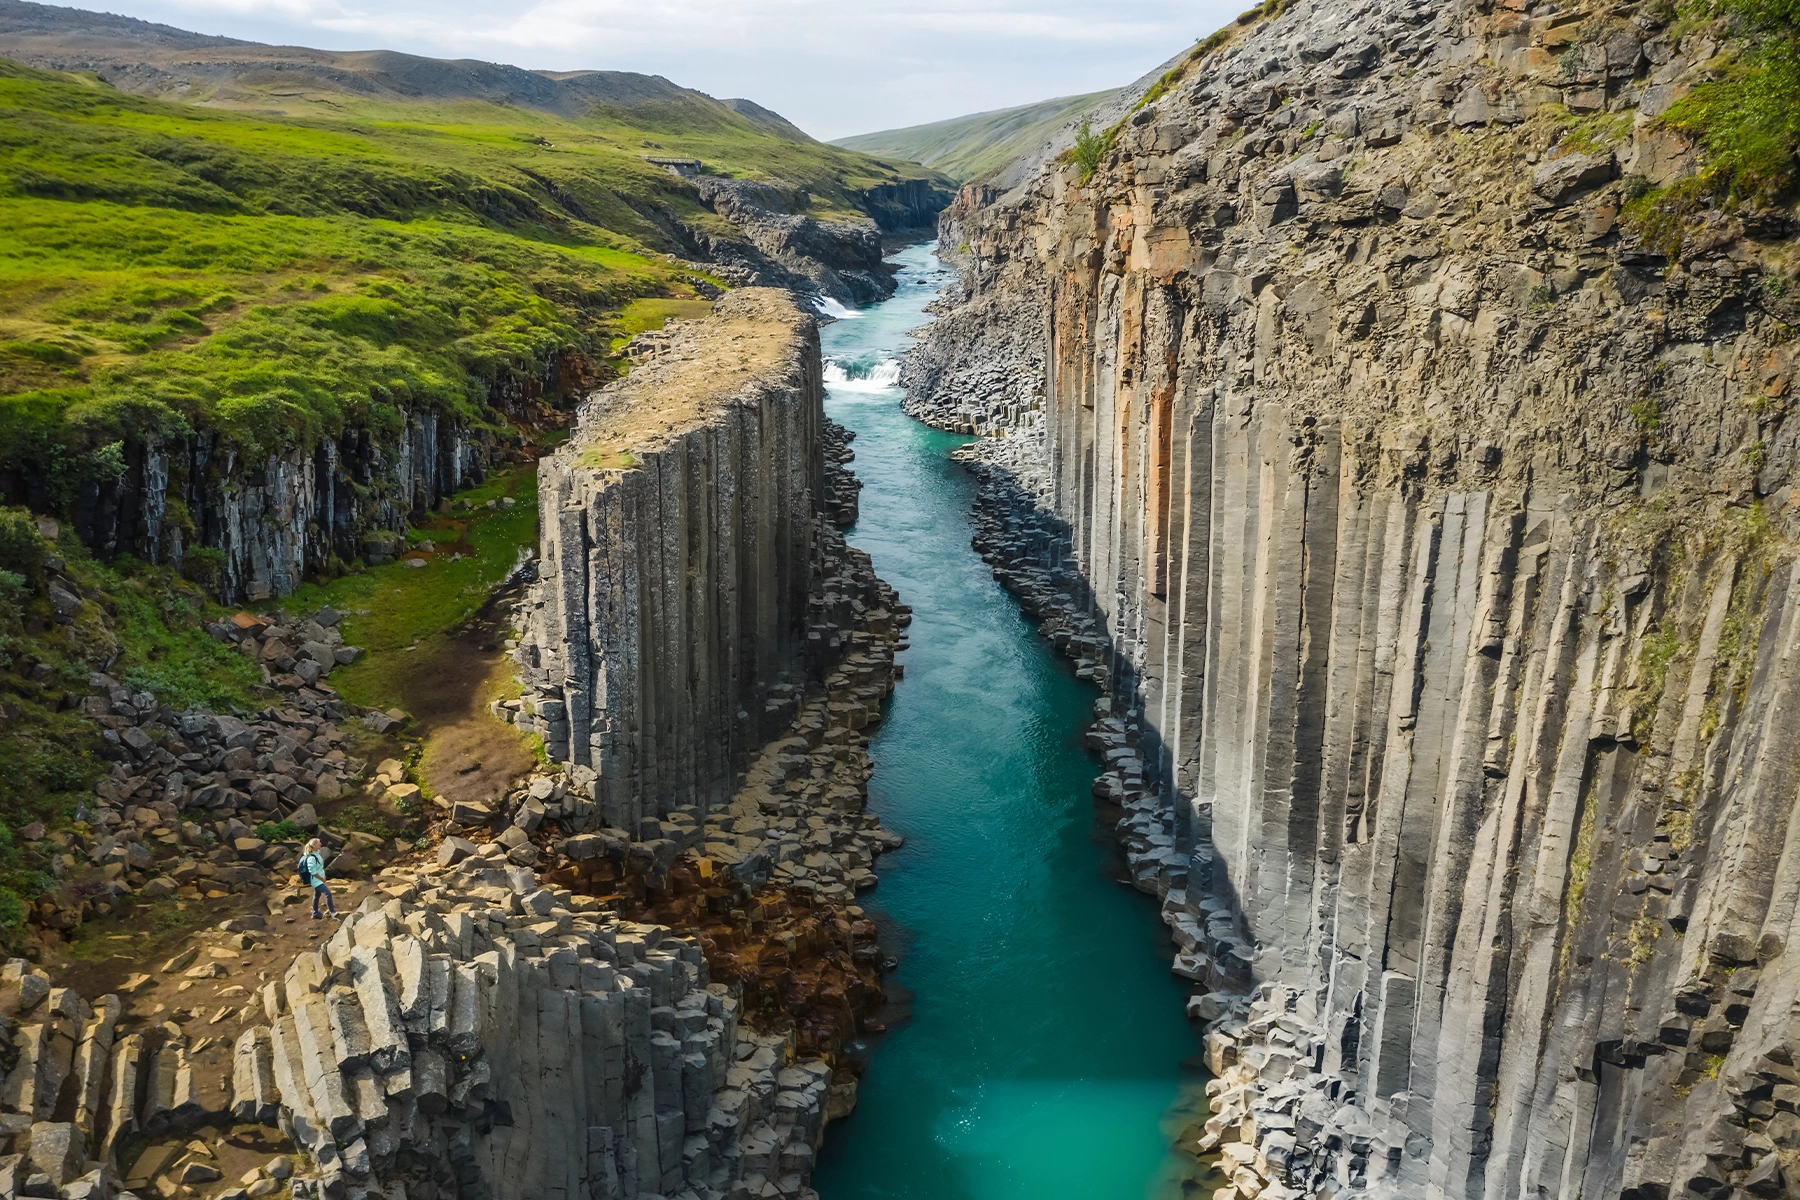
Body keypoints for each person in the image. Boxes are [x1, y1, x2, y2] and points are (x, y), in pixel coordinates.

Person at [300, 837, 337, 920]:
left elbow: (319, 867)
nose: (321, 843)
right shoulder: (311, 858)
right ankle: (333, 912)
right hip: (316, 880)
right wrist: (321, 878)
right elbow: (312, 872)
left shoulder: (317, 853)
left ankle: (315, 913)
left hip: (319, 879)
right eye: (319, 843)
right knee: (328, 893)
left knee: (317, 895)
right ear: (315, 846)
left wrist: (323, 875)